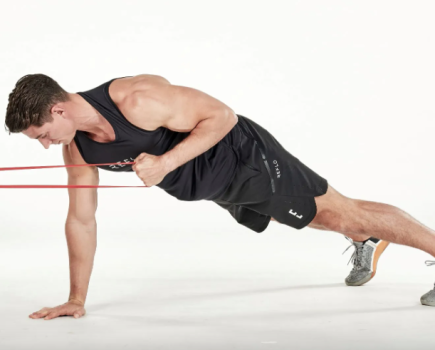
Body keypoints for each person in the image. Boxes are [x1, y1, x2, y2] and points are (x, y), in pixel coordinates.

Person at [4, 74, 434, 321]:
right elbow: (81, 219)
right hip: (220, 186)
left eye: (42, 135)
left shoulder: (137, 99)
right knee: (317, 217)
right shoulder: (77, 148)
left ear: (57, 110)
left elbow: (222, 116)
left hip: (244, 156)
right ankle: (367, 240)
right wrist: (76, 299)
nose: (45, 145)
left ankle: (377, 237)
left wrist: (166, 163)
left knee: (344, 214)